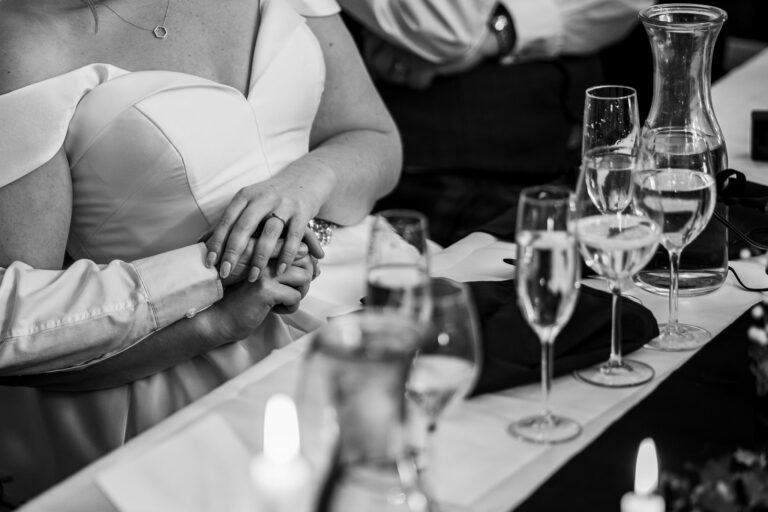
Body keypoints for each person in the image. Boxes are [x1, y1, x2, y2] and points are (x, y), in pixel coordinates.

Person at [0, 0, 400, 502]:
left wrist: (303, 184)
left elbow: (376, 138)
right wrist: (212, 324)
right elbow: (31, 334)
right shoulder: (27, 45)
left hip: (362, 292)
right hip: (179, 372)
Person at [340, 0, 652, 245]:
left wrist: (500, 31)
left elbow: (625, 3)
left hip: (570, 151)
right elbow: (444, 28)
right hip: (433, 166)